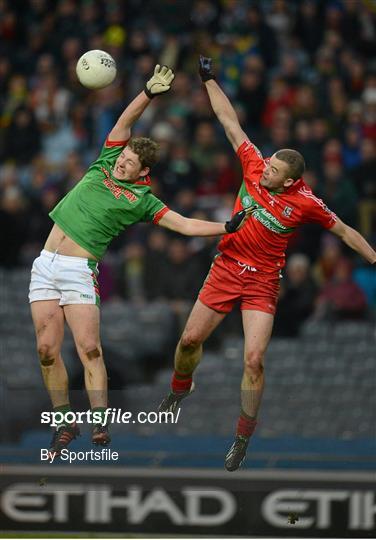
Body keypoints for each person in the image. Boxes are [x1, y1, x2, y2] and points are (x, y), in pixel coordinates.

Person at [158, 56, 376, 472]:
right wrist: (208, 79)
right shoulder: (254, 165)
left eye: (275, 170)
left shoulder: (306, 203)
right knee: (188, 343)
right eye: (269, 163)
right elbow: (228, 121)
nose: (266, 170)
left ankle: (242, 437)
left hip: (261, 282)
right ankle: (179, 389)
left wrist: (374, 257)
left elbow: (346, 232)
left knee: (254, 360)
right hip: (226, 266)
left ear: (290, 181)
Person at [29, 64, 251, 457]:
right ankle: (64, 421)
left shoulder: (144, 201)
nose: (122, 163)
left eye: (130, 163)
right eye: (123, 157)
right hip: (45, 264)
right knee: (46, 350)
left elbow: (182, 225)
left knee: (89, 348)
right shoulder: (104, 161)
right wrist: (148, 92)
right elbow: (124, 120)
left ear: (143, 172)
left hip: (80, 271)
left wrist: (226, 226)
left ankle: (100, 422)